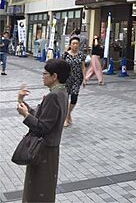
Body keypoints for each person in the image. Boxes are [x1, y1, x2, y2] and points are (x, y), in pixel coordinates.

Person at [16, 58, 70, 203]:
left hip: (43, 150)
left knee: (38, 191)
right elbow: (43, 117)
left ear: (54, 76)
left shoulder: (53, 96)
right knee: (43, 190)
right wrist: (22, 102)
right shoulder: (62, 92)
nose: (43, 76)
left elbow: (43, 127)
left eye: (45, 73)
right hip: (49, 149)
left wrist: (25, 115)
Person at [61, 36, 86, 127]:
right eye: (73, 44)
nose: (75, 45)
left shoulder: (81, 55)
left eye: (77, 44)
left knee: (74, 97)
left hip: (77, 78)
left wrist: (85, 78)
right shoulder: (65, 55)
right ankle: (65, 118)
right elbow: (61, 66)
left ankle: (68, 114)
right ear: (70, 45)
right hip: (67, 79)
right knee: (66, 98)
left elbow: (83, 67)